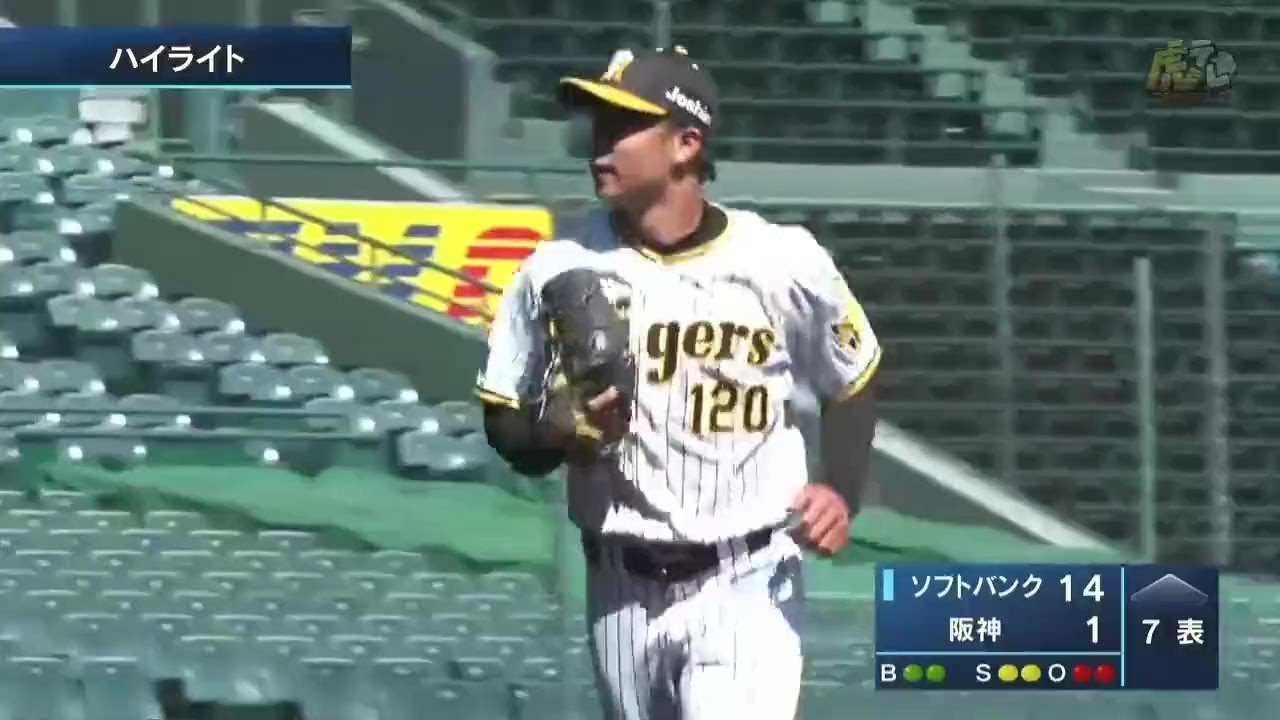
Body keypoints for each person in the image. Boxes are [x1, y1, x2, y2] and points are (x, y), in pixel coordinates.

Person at [475, 45, 880, 720]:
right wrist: (556, 433)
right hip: (619, 586)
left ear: (687, 143)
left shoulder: (783, 261)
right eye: (598, 124)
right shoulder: (555, 266)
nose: (600, 144)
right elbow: (502, 418)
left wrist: (841, 487)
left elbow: (854, 374)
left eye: (623, 126)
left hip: (746, 578)